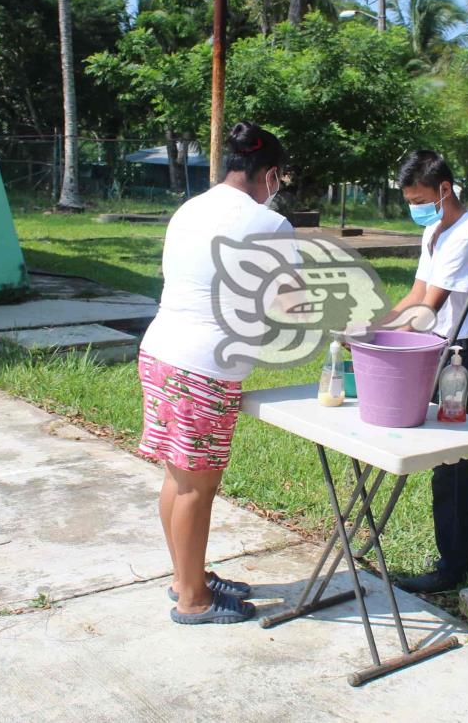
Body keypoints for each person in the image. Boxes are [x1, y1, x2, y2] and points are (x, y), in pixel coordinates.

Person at [137, 121, 290, 625]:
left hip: (160, 351)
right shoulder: (269, 225)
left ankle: (188, 578)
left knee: (177, 478)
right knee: (196, 489)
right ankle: (193, 602)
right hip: (204, 368)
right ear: (268, 174)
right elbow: (286, 304)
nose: (278, 189)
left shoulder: (190, 207)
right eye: (280, 178)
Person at [388, 150, 468, 594]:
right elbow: (415, 292)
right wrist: (369, 325)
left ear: (444, 189)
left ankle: (451, 568)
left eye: (419, 198)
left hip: (461, 361)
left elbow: (429, 308)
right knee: (454, 458)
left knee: (445, 461)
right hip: (441, 353)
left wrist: (381, 339)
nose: (415, 207)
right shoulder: (434, 230)